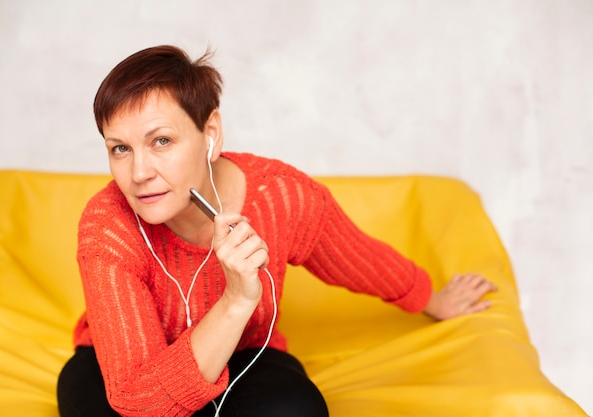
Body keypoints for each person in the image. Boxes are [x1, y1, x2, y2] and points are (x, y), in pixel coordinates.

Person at [57, 45, 498, 417]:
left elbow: (357, 258)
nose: (138, 173)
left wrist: (433, 298)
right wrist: (234, 301)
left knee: (296, 409)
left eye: (161, 142)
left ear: (210, 133)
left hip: (243, 356)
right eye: (120, 148)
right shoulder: (108, 226)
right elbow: (138, 399)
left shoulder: (281, 197)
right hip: (118, 368)